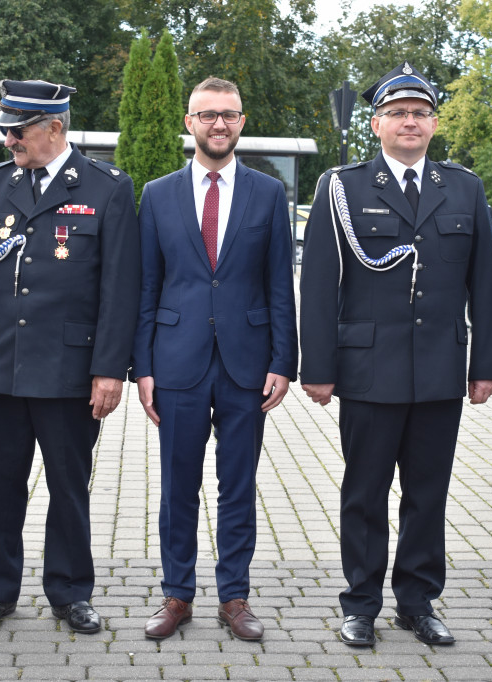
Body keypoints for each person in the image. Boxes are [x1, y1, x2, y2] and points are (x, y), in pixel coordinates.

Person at [299, 62, 492, 647]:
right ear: (376, 124)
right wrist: (319, 367)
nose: (409, 122)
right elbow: (319, 284)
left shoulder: (463, 187)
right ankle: (360, 603)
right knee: (364, 492)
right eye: (397, 113)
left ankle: (417, 600)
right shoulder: (342, 187)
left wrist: (487, 364)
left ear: (434, 124)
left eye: (419, 113)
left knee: (428, 493)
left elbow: (484, 284)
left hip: (440, 369)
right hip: (366, 369)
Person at [0, 80, 140, 634]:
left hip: (70, 371)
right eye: (6, 129)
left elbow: (119, 288)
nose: (8, 139)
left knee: (68, 486)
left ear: (54, 128)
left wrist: (110, 369)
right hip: (2, 367)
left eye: (19, 130)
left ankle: (70, 591)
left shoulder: (107, 187)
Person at [132, 77, 297, 642]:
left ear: (242, 122)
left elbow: (280, 284)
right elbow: (146, 287)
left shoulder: (268, 193)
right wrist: (143, 368)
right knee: (178, 486)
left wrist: (284, 361)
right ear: (190, 122)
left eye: (228, 115)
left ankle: (235, 598)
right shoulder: (156, 195)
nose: (218, 124)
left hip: (247, 366)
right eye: (207, 115)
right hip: (176, 364)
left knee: (238, 486)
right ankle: (176, 595)